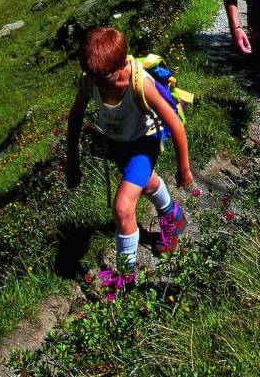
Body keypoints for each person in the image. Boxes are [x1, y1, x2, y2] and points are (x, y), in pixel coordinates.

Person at [65, 25, 193, 285]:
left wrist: (184, 168)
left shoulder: (141, 83)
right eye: (94, 77)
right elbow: (76, 115)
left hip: (143, 144)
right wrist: (72, 159)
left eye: (105, 77)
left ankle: (125, 277)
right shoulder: (92, 78)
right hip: (117, 144)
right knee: (145, 184)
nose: (99, 84)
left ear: (122, 63)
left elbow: (176, 125)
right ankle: (173, 215)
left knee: (122, 208)